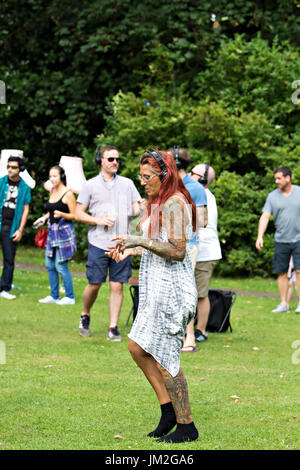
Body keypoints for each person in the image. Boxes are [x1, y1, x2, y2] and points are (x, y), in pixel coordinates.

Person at [106, 148, 199, 443]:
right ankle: (168, 410)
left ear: (165, 175)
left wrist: (139, 241)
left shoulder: (174, 202)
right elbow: (153, 244)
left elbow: (177, 250)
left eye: (148, 177)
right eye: (141, 176)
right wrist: (128, 250)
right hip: (154, 290)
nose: (143, 181)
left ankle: (187, 427)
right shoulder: (157, 202)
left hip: (172, 291)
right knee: (137, 347)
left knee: (165, 358)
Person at [75, 145, 142, 340]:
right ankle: (85, 313)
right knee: (95, 284)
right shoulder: (90, 185)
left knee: (117, 285)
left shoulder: (128, 184)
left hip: (122, 243)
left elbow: (135, 209)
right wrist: (98, 220)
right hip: (98, 242)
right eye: (111, 159)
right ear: (101, 161)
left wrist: (141, 207)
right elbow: (78, 213)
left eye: (117, 159)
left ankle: (113, 328)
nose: (115, 163)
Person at [183, 163, 222, 347]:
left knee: (200, 294)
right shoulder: (200, 193)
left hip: (205, 252)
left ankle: (201, 330)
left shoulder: (204, 195)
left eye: (193, 173)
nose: (189, 175)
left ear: (203, 178)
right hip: (199, 250)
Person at [256, 166, 300, 314]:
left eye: (279, 178)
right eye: (275, 178)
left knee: (299, 271)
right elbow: (265, 216)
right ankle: (284, 304)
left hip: (299, 239)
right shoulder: (272, 196)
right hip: (281, 240)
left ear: (288, 178)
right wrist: (260, 236)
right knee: (281, 272)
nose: (276, 181)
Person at [33, 165, 77, 305]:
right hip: (52, 232)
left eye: (55, 176)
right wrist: (43, 218)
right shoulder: (52, 191)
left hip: (63, 232)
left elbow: (74, 215)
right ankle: (54, 295)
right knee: (49, 264)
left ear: (62, 177)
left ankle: (70, 297)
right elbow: (51, 210)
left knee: (60, 265)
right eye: (50, 176)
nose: (52, 179)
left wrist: (62, 214)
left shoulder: (68, 194)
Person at [167, 147, 207, 268]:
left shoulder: (196, 188)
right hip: (166, 246)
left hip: (187, 247)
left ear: (176, 164)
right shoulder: (167, 186)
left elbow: (202, 221)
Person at [0, 156, 31, 299]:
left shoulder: (24, 187)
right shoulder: (1, 182)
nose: (10, 170)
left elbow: (25, 209)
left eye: (13, 167)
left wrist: (20, 230)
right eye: (9, 167)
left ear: (20, 169)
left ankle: (4, 288)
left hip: (11, 227)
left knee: (9, 259)